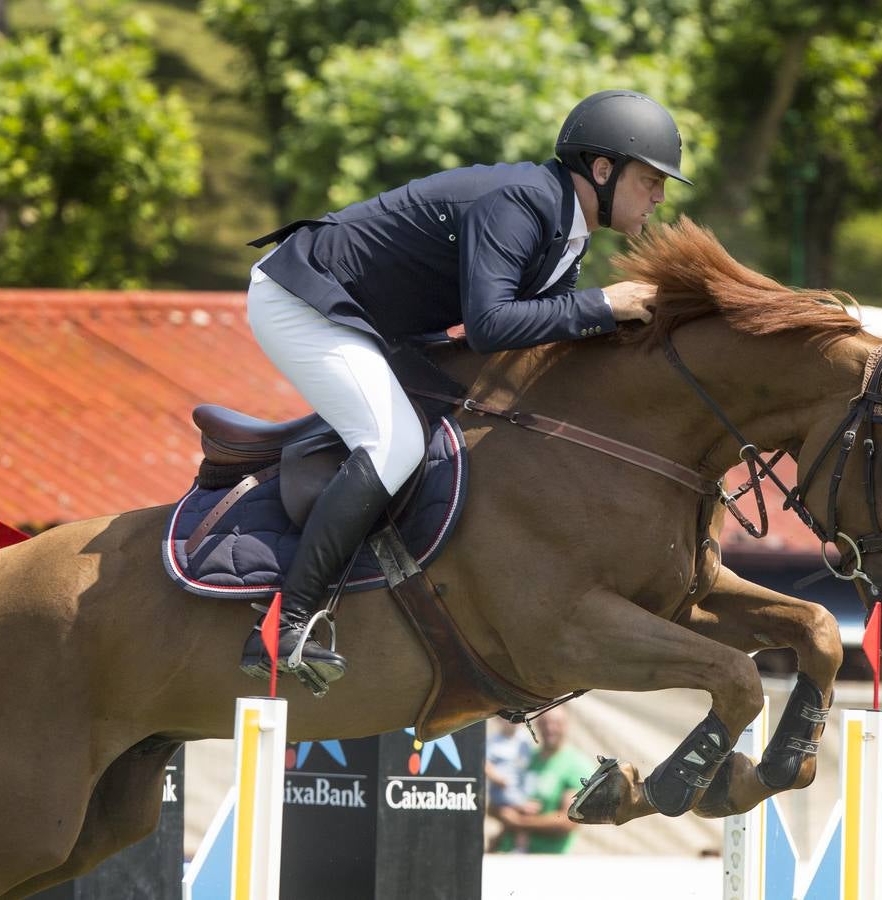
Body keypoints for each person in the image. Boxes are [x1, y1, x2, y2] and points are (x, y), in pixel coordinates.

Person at [240, 90, 692, 688]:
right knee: (393, 444)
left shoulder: (568, 232)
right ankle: (285, 623)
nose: (660, 198)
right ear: (603, 170)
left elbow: (535, 337)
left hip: (376, 321)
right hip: (306, 301)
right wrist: (605, 304)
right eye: (651, 180)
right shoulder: (522, 203)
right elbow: (490, 326)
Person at [492, 707, 588, 854]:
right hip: (508, 853)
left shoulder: (576, 765)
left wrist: (519, 822)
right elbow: (494, 802)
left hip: (545, 861)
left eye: (556, 723)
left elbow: (569, 820)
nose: (550, 728)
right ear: (537, 725)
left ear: (567, 725)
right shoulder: (524, 757)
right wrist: (503, 812)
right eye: (544, 723)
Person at [485, 720, 538, 852]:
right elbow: (484, 763)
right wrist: (496, 778)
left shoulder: (525, 740)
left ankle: (503, 845)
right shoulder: (493, 741)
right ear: (499, 720)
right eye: (509, 719)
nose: (513, 722)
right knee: (519, 815)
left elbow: (531, 762)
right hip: (501, 792)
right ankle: (519, 848)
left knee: (514, 820)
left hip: (518, 790)